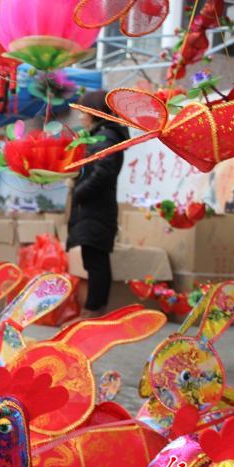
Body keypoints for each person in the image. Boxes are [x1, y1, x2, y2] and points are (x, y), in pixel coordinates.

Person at [66, 90, 130, 318]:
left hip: (96, 208)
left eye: (84, 112)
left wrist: (79, 192)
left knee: (96, 261)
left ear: (96, 112)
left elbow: (103, 173)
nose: (81, 117)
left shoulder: (106, 137)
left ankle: (94, 310)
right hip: (95, 208)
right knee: (93, 258)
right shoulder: (101, 136)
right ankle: (94, 308)